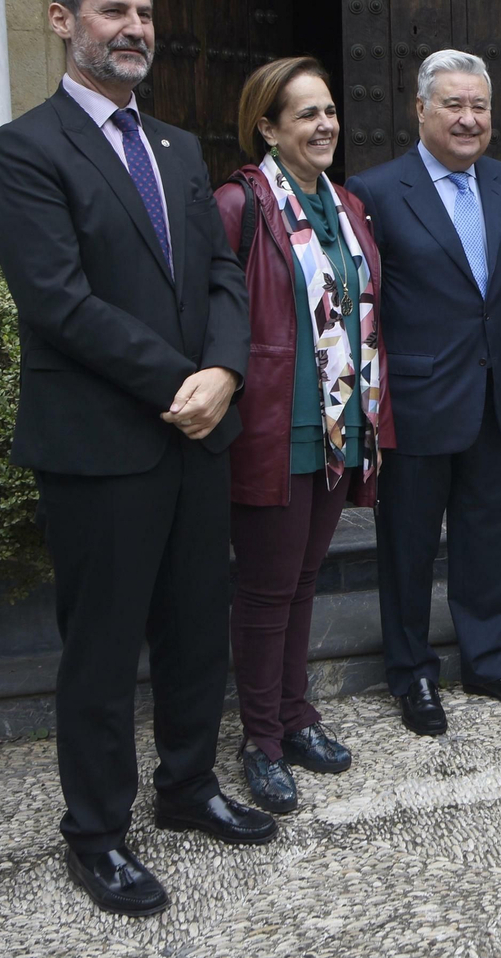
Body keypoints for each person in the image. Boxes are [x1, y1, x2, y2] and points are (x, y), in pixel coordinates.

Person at [0, 0, 274, 918]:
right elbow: (56, 303)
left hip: (198, 439)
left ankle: (188, 788)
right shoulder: (24, 149)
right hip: (100, 448)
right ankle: (97, 835)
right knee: (103, 652)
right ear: (63, 21)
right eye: (113, 12)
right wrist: (182, 380)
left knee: (198, 634)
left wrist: (226, 371)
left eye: (143, 12)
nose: (135, 28)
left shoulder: (181, 149)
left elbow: (224, 277)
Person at [346, 50, 501, 732]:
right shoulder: (374, 190)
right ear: (421, 110)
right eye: (454, 104)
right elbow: (368, 300)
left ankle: (487, 659)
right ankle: (411, 674)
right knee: (407, 543)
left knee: (486, 535)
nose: (469, 119)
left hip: (492, 392)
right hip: (416, 400)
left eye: (480, 106)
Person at [212, 57, 392, 812]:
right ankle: (261, 737)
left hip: (339, 426)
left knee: (305, 581)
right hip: (273, 428)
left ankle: (296, 714)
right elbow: (218, 313)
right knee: (265, 590)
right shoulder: (237, 203)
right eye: (306, 114)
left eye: (329, 111)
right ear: (268, 127)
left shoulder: (347, 205)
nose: (325, 126)